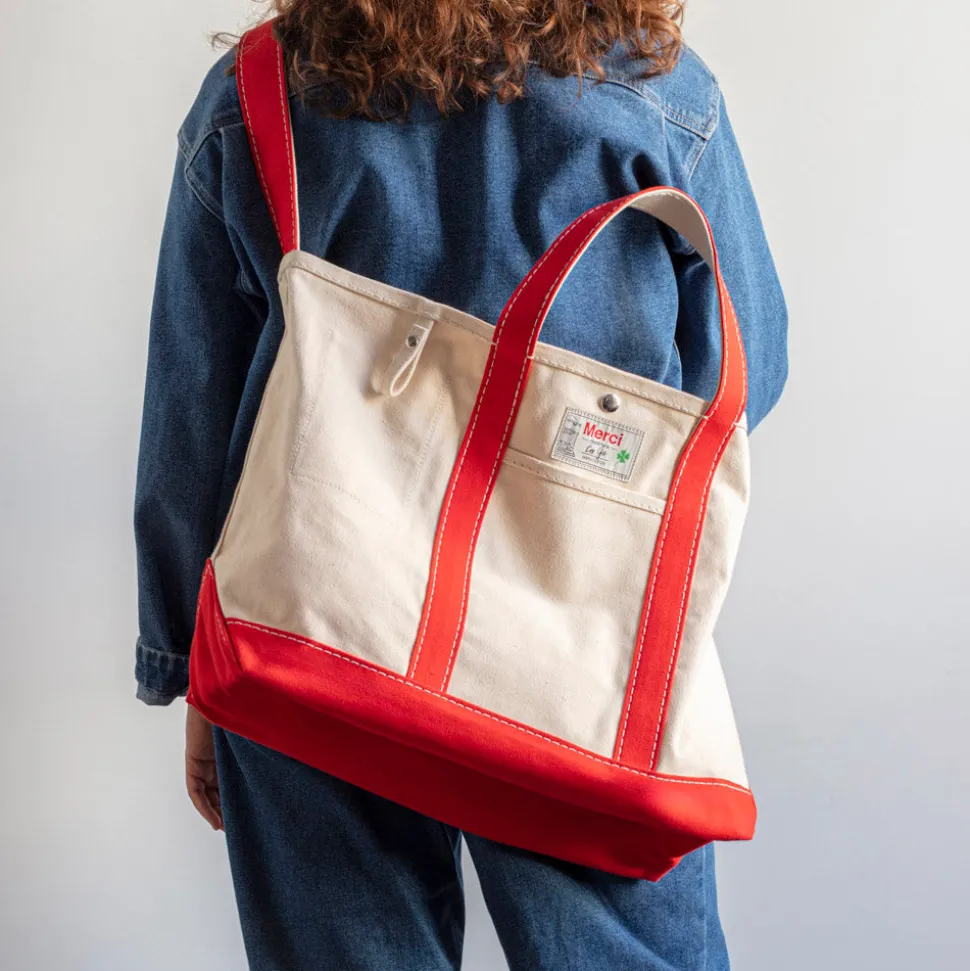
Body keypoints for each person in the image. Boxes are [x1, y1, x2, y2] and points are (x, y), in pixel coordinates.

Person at [134, 2, 788, 968]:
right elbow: (749, 365)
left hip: (308, 632)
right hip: (576, 655)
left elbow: (194, 406)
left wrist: (189, 661)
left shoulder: (259, 91)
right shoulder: (658, 94)